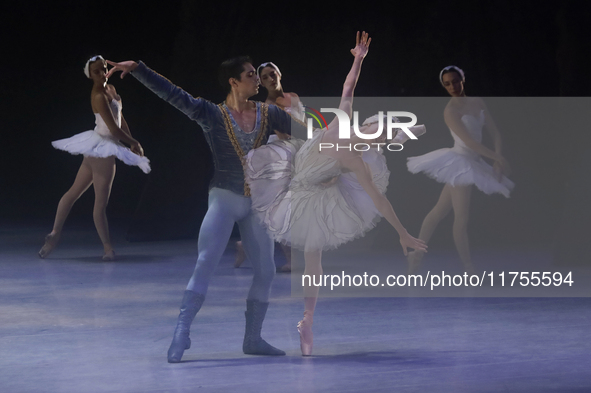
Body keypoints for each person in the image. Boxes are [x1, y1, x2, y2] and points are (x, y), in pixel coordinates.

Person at [106, 54, 305, 362]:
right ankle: (181, 333)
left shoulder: (269, 113)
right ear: (233, 81)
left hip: (257, 203)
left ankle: (252, 339)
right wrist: (139, 70)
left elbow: (313, 130)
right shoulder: (210, 113)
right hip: (225, 197)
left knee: (266, 270)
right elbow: (173, 94)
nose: (256, 79)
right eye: (251, 75)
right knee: (206, 262)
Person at [244, 32, 427, 356]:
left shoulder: (356, 162)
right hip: (295, 174)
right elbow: (348, 88)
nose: (372, 134)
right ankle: (250, 245)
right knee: (305, 251)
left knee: (314, 262)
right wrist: (357, 59)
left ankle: (307, 321)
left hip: (316, 192)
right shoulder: (341, 128)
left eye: (379, 135)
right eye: (377, 131)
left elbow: (379, 201)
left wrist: (403, 233)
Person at [38, 55, 149, 261]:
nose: (102, 73)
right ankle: (107, 249)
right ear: (90, 75)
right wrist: (133, 143)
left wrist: (132, 140)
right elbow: (114, 129)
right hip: (102, 150)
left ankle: (54, 235)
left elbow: (120, 119)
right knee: (99, 205)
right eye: (96, 71)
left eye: (104, 68)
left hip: (96, 147)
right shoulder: (98, 95)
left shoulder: (111, 90)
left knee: (73, 192)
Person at [405, 65, 514, 274]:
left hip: (474, 160)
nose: (452, 86)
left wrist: (498, 159)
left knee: (439, 211)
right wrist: (496, 157)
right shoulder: (450, 111)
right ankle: (468, 267)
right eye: (447, 84)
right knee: (461, 218)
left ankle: (416, 255)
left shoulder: (478, 102)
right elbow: (470, 143)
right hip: (460, 163)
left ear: (463, 79)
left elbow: (495, 132)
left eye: (455, 81)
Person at [234, 61, 302, 272]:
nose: (271, 79)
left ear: (280, 74)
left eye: (273, 74)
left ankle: (244, 244)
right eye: (265, 78)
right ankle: (290, 258)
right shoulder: (269, 107)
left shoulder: (293, 97)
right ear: (261, 83)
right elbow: (284, 135)